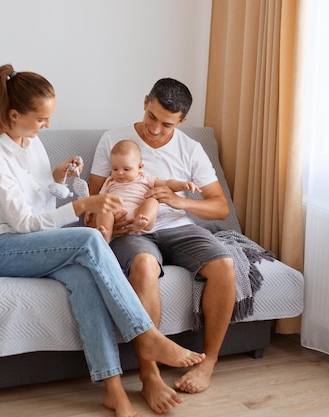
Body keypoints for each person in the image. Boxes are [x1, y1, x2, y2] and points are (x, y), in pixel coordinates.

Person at [0, 65, 205, 417]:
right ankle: (145, 335)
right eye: (42, 119)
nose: (47, 126)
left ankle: (113, 388)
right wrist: (82, 206)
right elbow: (23, 222)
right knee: (88, 240)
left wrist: (60, 176)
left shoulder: (31, 142)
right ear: (14, 114)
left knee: (85, 279)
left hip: (37, 242)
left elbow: (42, 196)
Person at [88, 78, 236, 414]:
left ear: (182, 121)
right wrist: (112, 219)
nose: (155, 129)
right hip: (133, 232)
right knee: (143, 266)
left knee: (224, 265)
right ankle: (149, 374)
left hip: (179, 228)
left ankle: (208, 362)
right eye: (151, 117)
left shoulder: (190, 149)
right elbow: (92, 196)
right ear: (145, 102)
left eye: (166, 123)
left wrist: (182, 204)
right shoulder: (114, 139)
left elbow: (219, 207)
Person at [96, 139, 201, 242]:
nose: (120, 173)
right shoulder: (110, 181)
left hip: (139, 212)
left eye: (126, 169)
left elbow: (167, 184)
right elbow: (99, 198)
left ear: (140, 167)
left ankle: (142, 223)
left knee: (152, 202)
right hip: (117, 215)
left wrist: (183, 185)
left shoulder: (145, 178)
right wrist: (90, 209)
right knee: (104, 208)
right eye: (115, 169)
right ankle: (106, 234)